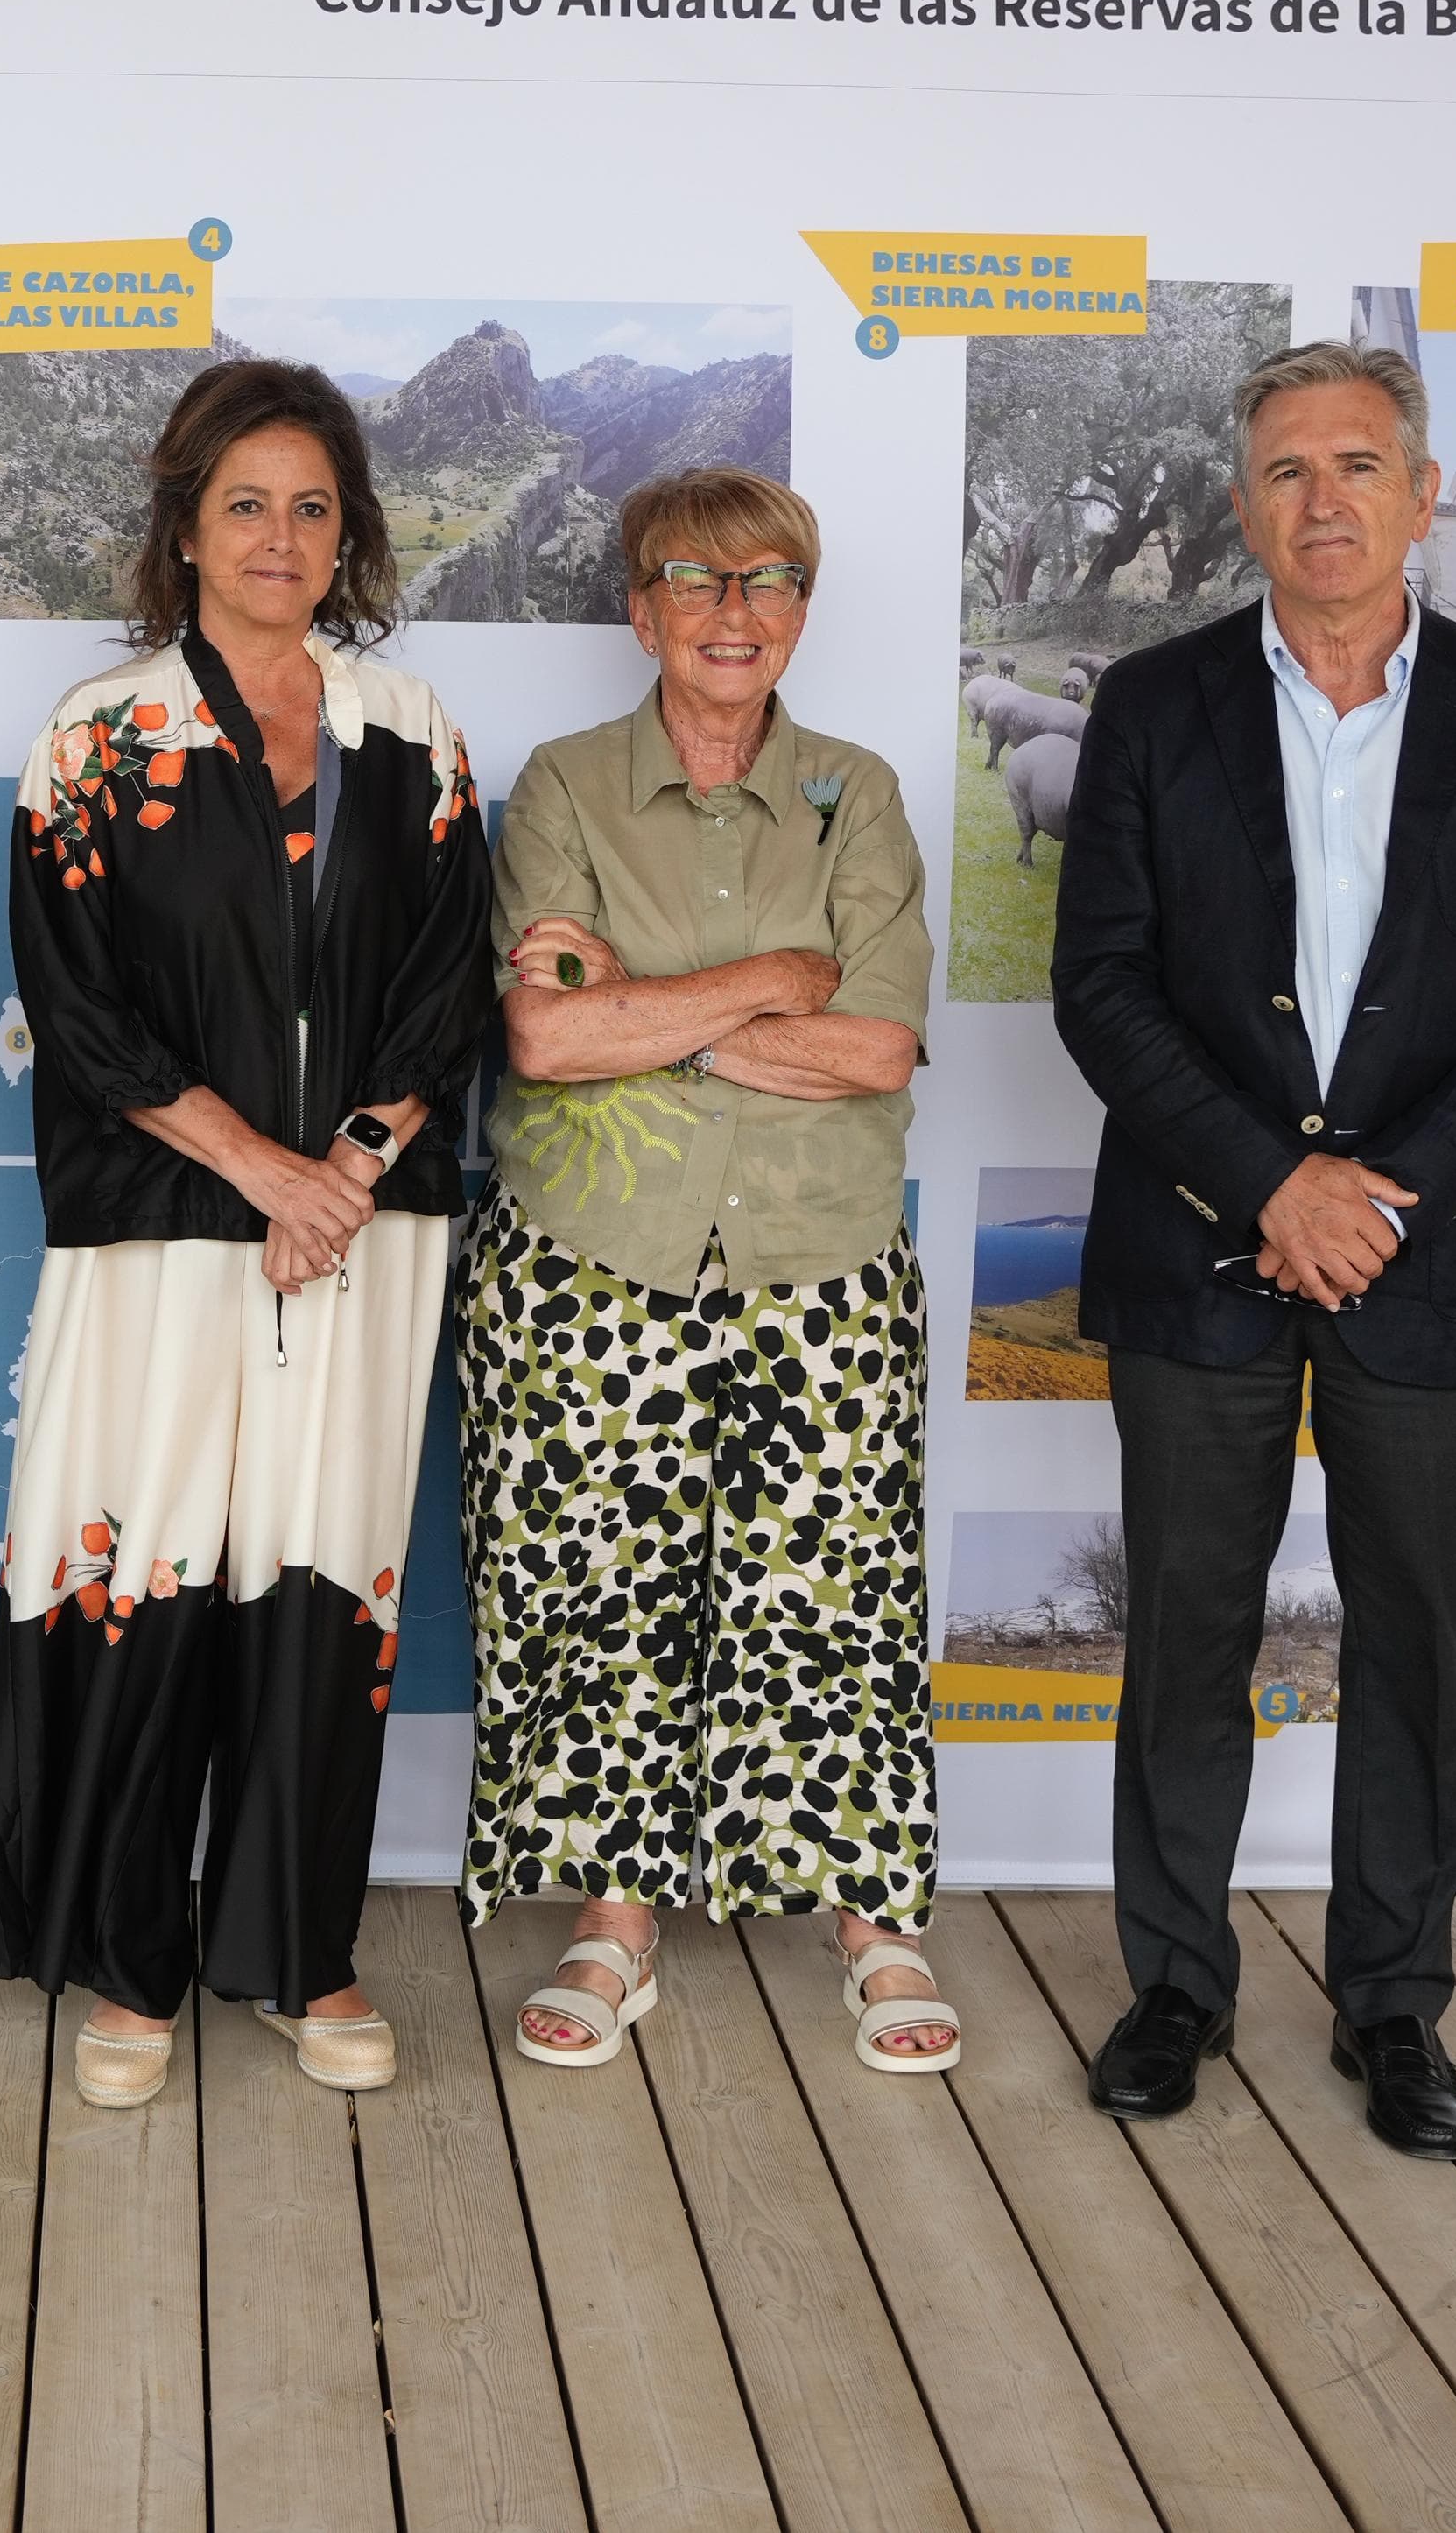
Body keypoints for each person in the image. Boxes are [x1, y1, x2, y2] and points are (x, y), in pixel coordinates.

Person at [1049, 340, 1456, 2159]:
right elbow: (1104, 989)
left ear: (1422, 495)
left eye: (1358, 464)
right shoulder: (1150, 704)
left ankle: (1395, 2004)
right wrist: (1268, 1186)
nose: (1323, 500)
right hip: (1201, 1246)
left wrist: (1381, 1195)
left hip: (1428, 1261)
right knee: (1184, 1634)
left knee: (1415, 1645)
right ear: (1244, 506)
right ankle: (1173, 1986)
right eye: (1287, 469)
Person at [0, 356, 493, 2109]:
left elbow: (443, 991)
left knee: (324, 1566)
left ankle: (301, 1950)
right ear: (183, 525)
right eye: (245, 502)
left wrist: (342, 1168)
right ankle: (133, 1964)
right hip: (164, 1226)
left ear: (348, 534)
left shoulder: (414, 728)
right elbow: (84, 1009)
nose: (280, 535)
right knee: (152, 1563)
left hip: (363, 1230)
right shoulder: (96, 735)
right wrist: (264, 1173)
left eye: (313, 505)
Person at [458, 470, 952, 2079]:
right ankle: (616, 1920)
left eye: (770, 580)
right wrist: (763, 986)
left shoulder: (859, 794)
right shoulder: (563, 787)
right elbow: (544, 1033)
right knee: (606, 1591)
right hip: (592, 1265)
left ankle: (871, 1915)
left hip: (821, 1263)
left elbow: (878, 1049)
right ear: (639, 608)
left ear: (803, 609)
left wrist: (651, 1008)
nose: (735, 611)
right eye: (696, 578)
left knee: (831, 1594)